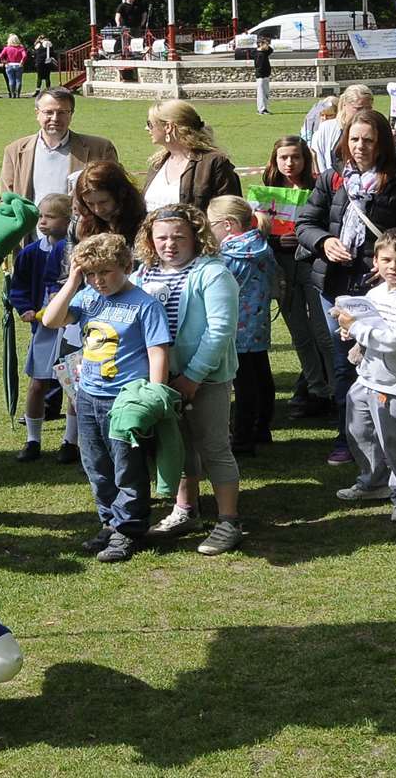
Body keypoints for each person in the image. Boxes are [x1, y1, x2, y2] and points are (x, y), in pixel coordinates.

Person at [296, 109, 396, 466]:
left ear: (383, 142)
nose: (360, 146)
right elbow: (306, 221)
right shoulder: (333, 178)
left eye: (368, 139)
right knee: (344, 361)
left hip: (384, 288)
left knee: (385, 360)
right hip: (335, 284)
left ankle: (394, 435)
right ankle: (347, 437)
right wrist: (323, 243)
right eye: (354, 139)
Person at [40, 232, 172, 564]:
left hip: (126, 401)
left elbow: (158, 352)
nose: (98, 281)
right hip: (88, 397)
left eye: (106, 273)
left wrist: (154, 396)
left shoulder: (145, 305)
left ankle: (128, 529)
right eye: (92, 274)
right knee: (96, 466)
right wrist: (73, 281)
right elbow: (51, 319)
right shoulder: (87, 298)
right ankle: (109, 521)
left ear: (127, 266)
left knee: (127, 467)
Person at [133, 204, 244, 555]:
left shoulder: (212, 273)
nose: (170, 244)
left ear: (196, 238)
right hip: (163, 377)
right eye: (162, 237)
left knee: (213, 446)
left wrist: (194, 376)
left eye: (179, 237)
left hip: (206, 378)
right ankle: (185, 510)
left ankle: (229, 521)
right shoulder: (143, 273)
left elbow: (220, 329)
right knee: (178, 445)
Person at [331, 229, 396, 524]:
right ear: (375, 261)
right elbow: (367, 327)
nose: (394, 267)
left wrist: (355, 328)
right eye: (387, 260)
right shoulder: (375, 293)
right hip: (366, 377)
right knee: (359, 431)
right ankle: (374, 482)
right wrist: (348, 330)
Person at [256, 136, 333, 418]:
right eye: (284, 158)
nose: (290, 163)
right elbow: (258, 233)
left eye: (295, 157)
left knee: (324, 333)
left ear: (305, 159)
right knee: (299, 331)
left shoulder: (319, 187)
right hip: (282, 266)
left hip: (314, 264)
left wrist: (307, 241)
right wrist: (277, 243)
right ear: (275, 161)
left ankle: (336, 389)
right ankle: (316, 389)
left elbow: (329, 224)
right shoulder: (268, 191)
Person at [208, 195, 276, 455]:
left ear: (227, 225)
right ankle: (261, 428)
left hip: (236, 326)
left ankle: (242, 438)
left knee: (244, 384)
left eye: (210, 223)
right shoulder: (260, 244)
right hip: (257, 322)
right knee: (260, 376)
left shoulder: (228, 255)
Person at [7, 193, 70, 462]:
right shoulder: (31, 253)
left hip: (71, 325)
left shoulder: (72, 249)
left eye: (51, 217)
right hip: (43, 328)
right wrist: (24, 308)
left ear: (69, 221)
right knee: (37, 383)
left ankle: (71, 441)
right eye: (41, 216)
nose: (43, 222)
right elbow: (17, 286)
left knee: (73, 385)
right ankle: (33, 439)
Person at [0, 87, 119, 204]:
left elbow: (116, 194)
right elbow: (5, 200)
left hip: (81, 224)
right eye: (49, 112)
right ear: (37, 113)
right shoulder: (14, 151)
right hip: (33, 225)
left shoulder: (100, 149)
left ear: (71, 114)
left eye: (62, 112)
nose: (55, 118)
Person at [142, 100, 242, 212]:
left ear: (168, 127)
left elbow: (230, 213)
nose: (146, 129)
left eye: (150, 124)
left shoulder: (214, 163)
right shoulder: (157, 164)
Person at [0, 34, 28, 99]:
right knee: (18, 80)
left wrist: (5, 62)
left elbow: (0, 56)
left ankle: (12, 94)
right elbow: (25, 56)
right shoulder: (21, 48)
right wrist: (22, 61)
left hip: (9, 65)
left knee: (11, 80)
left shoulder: (6, 48)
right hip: (18, 65)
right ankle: (18, 94)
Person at [251, 33, 274, 114]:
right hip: (261, 76)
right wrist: (261, 45)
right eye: (265, 44)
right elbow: (257, 65)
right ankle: (261, 109)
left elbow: (271, 50)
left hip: (266, 75)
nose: (267, 45)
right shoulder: (257, 53)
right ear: (260, 44)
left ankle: (265, 108)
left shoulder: (265, 52)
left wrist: (266, 44)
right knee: (261, 93)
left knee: (266, 93)